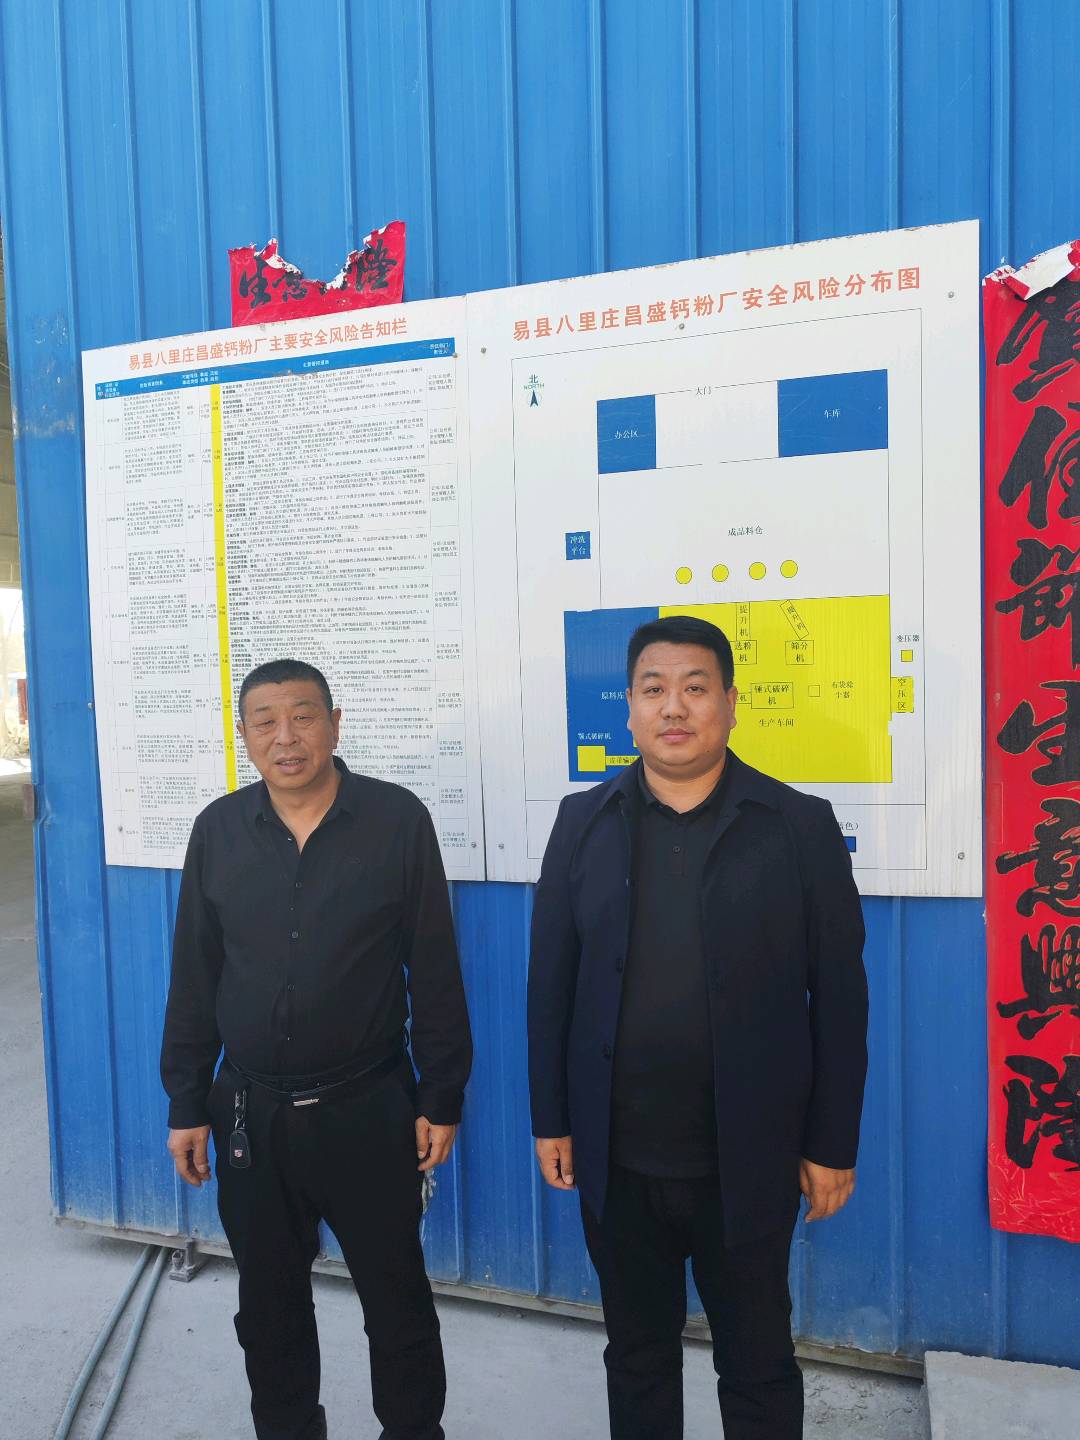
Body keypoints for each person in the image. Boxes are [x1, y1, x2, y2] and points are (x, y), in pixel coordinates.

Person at [528, 614, 868, 1440]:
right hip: (618, 1157)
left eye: (694, 688)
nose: (673, 707)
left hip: (746, 1159)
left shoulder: (796, 825)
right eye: (653, 689)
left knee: (757, 1363)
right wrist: (552, 1120)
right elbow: (551, 985)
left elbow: (841, 996)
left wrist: (832, 1143)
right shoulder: (582, 821)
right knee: (636, 1355)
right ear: (630, 708)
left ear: (731, 703)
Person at [161, 658, 471, 1440]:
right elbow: (195, 977)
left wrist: (442, 1094)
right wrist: (186, 1101)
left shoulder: (396, 820)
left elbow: (434, 965)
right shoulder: (218, 831)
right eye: (265, 722)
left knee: (397, 1304)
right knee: (268, 1310)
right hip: (251, 1114)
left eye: (303, 716)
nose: (286, 737)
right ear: (245, 736)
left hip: (368, 1108)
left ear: (335, 723)